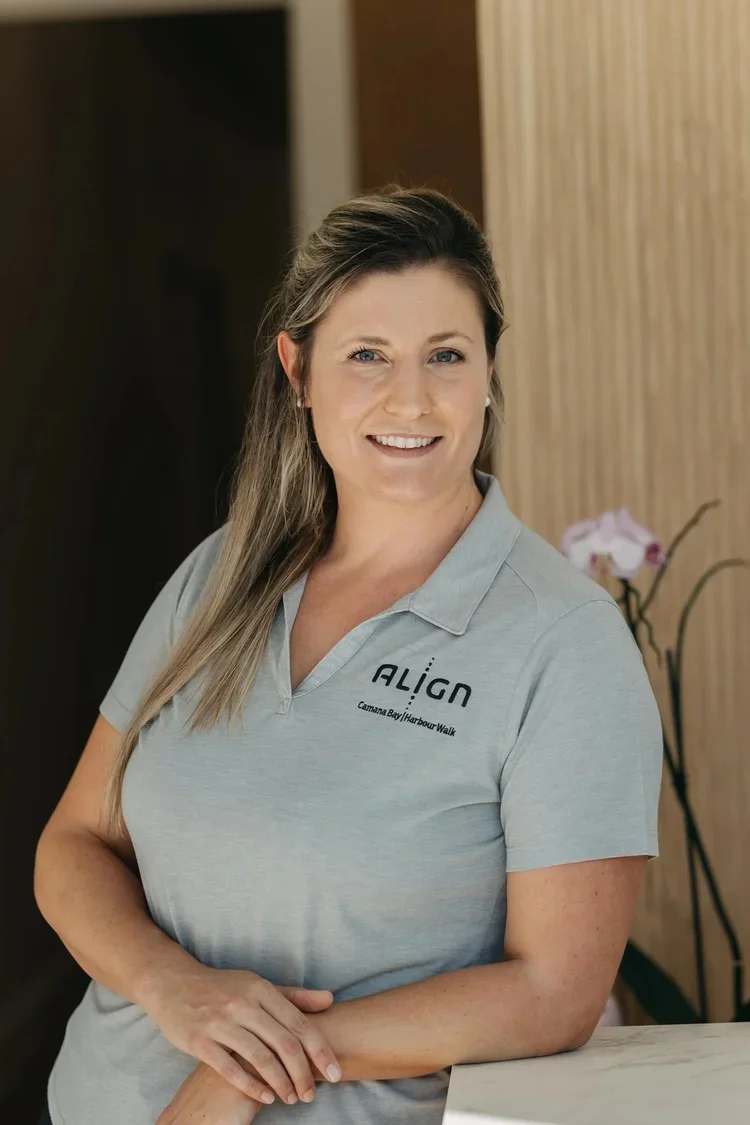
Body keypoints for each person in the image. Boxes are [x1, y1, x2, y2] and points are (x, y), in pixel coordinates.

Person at [34, 186, 663, 1125]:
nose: (410, 399)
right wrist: (177, 989)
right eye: (367, 354)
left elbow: (554, 991)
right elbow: (75, 842)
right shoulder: (221, 575)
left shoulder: (564, 643)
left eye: (445, 355)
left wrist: (244, 1067)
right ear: (298, 371)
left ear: (488, 371)